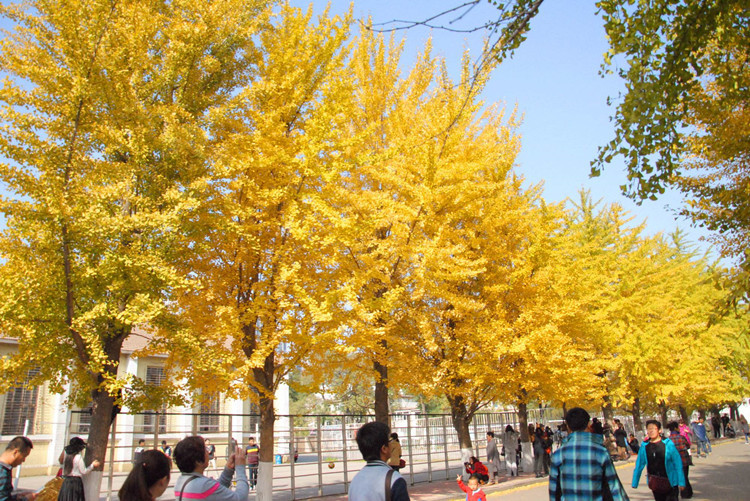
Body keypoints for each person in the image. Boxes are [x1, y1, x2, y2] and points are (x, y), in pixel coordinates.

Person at [548, 407, 629, 501]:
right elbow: (614, 487)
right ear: (588, 425)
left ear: (568, 427)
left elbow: (554, 491)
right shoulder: (600, 452)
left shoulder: (558, 455)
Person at [173, 435, 248, 501]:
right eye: (205, 450)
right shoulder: (204, 485)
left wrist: (228, 470)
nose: (208, 452)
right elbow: (240, 498)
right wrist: (240, 467)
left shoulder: (181, 481)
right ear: (198, 461)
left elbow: (216, 491)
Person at [348, 421, 409, 501]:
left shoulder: (355, 481)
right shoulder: (394, 479)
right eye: (389, 441)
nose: (391, 444)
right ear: (384, 448)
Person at [632, 420, 685, 501]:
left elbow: (677, 463)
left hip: (670, 482)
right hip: (655, 483)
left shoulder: (668, 444)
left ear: (659, 430)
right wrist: (635, 482)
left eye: (653, 428)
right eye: (649, 429)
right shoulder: (644, 446)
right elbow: (639, 464)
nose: (651, 431)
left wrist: (681, 482)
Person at [58, 437, 101, 501]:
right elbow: (84, 471)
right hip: (76, 482)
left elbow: (60, 461)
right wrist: (92, 465)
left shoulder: (65, 454)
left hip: (66, 481)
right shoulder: (78, 457)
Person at [0, 437, 36, 501]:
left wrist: (17, 497)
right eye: (24, 456)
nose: (24, 460)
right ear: (15, 452)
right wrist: (26, 499)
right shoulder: (2, 473)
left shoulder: (5, 469)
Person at [667, 422, 692, 499]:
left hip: (673, 462)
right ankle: (686, 493)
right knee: (684, 476)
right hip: (683, 460)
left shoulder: (668, 440)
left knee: (675, 477)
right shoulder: (681, 437)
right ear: (675, 428)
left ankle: (676, 494)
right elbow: (688, 445)